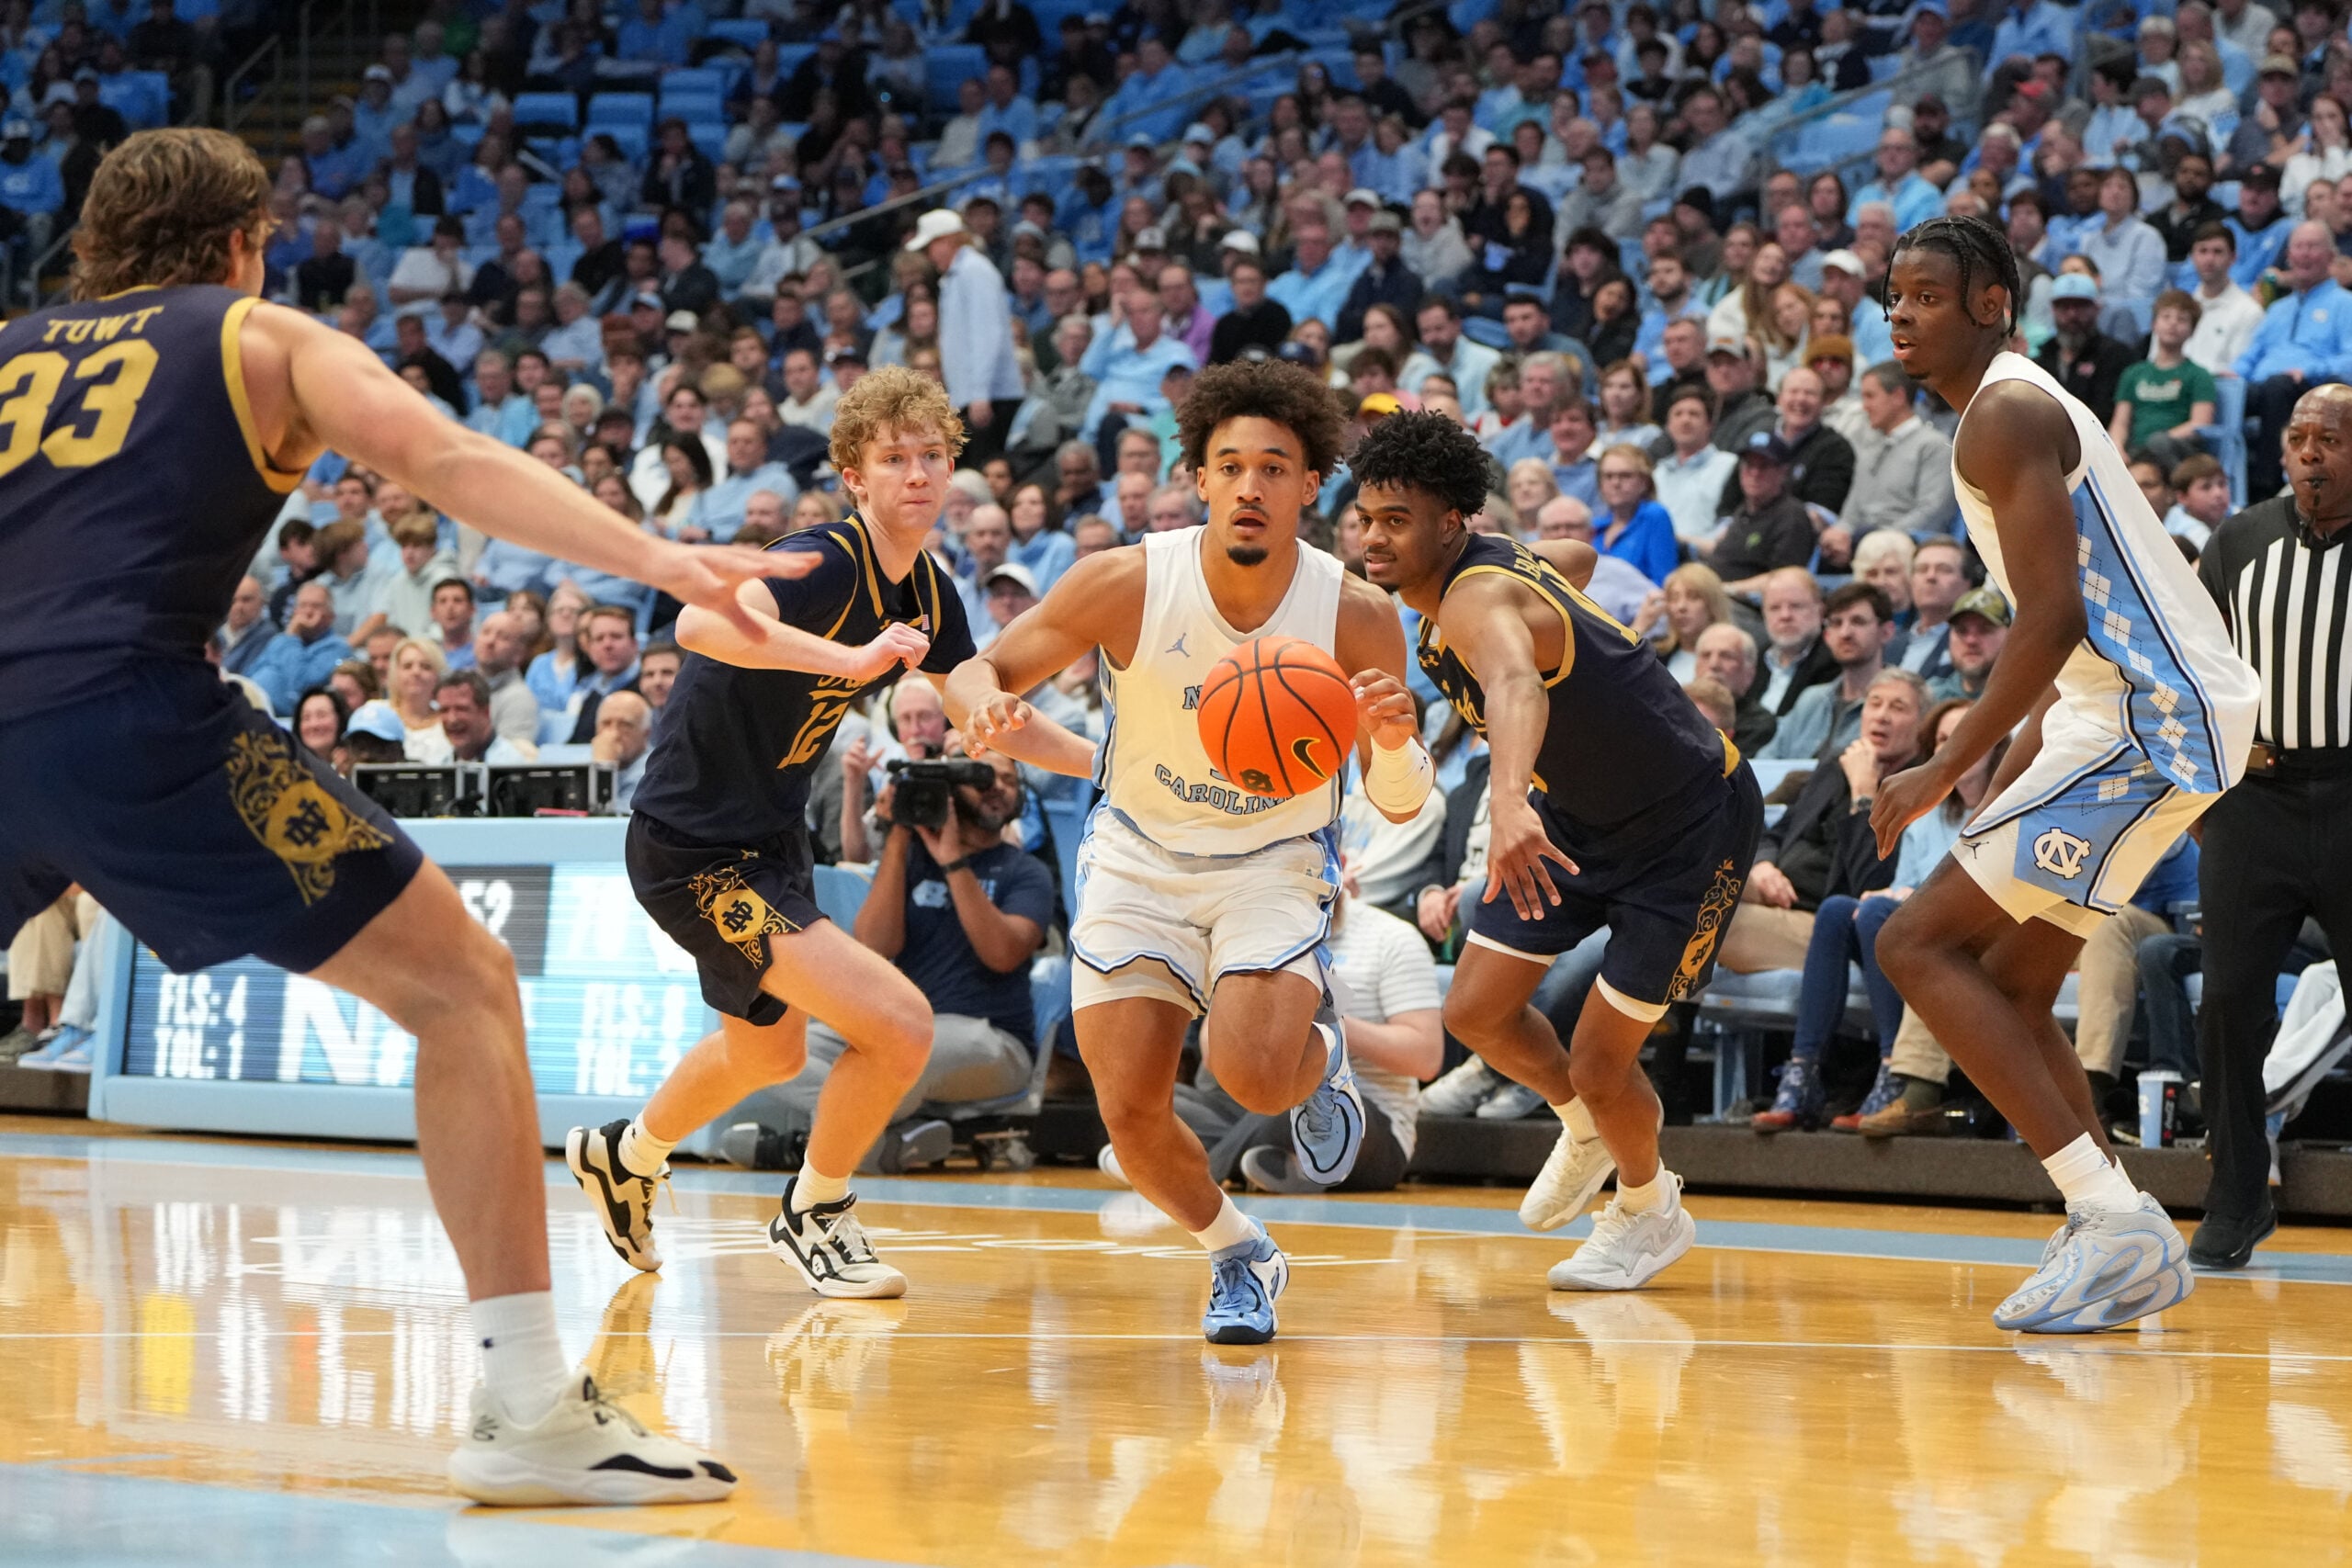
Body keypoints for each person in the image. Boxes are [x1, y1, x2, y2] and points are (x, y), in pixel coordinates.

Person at [0, 128, 770, 1502]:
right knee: (463, 984)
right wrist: (663, 557)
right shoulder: (260, 338)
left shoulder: (8, 349)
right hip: (125, 711)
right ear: (244, 239)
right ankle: (529, 1404)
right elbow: (448, 456)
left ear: (98, 242)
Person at [563, 370, 1071, 1310]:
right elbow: (697, 620)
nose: (916, 474)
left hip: (767, 840)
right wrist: (845, 660)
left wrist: (1110, 763)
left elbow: (976, 700)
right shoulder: (820, 562)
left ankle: (623, 1156)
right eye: (893, 459)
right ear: (853, 476)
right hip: (690, 846)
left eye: (930, 456)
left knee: (768, 1056)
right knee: (898, 1023)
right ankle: (816, 1212)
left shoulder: (928, 586)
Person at [945, 359, 1429, 1345]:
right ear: (1200, 480)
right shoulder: (1127, 581)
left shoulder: (1357, 613)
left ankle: (1322, 1054)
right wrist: (979, 706)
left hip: (1273, 858)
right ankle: (1237, 1251)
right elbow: (980, 666)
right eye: (1230, 466)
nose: (1251, 487)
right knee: (1130, 1115)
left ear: (1309, 484)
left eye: (1275, 468)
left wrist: (1388, 741)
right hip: (1136, 857)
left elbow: (1402, 794)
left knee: (1250, 1074)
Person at [1869, 215, 2260, 1333]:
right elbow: (2074, 642)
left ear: (1991, 302)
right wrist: (2003, 784)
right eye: (1892, 295)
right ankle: (2118, 1228)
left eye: (1928, 295)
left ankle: (2111, 1221)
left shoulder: (2007, 412)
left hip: (2155, 717)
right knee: (2010, 979)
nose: (1900, 312)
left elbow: (2051, 619)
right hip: (2134, 713)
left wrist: (1948, 759)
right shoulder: (2000, 413)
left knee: (1913, 941)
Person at [1353, 411, 1763, 1293]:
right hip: (1581, 819)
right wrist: (1553, 584)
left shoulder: (1471, 599)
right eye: (1367, 516)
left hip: (1690, 829)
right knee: (1477, 1012)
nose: (1373, 536)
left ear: (1450, 524)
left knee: (1600, 1057)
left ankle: (1651, 1211)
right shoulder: (1487, 570)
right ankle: (1584, 1129)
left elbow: (1510, 683)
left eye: (1396, 520)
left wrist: (1505, 803)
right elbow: (1571, 560)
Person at [2188, 382, 2352, 1269]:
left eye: (2329, 438)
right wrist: (2210, 797)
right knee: (2226, 1007)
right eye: (2299, 439)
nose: (2311, 453)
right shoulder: (2243, 539)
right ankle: (2237, 1197)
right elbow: (2198, 668)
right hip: (2259, 798)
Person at [717, 745, 1053, 1167]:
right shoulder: (910, 859)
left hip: (993, 1041)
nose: (999, 788)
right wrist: (897, 838)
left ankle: (799, 1149)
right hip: (905, 1026)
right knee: (770, 1050)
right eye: (985, 778)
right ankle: (880, 1144)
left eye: (1009, 780)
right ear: (951, 789)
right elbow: (876, 945)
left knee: (896, 1066)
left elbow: (1002, 955)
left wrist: (953, 863)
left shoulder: (1026, 873)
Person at [1760, 582, 1898, 760]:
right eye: (1836, 623)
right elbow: (1765, 761)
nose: (1845, 633)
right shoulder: (1811, 700)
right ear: (1827, 636)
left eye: (1858, 621)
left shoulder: (1899, 705)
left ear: (1886, 632)